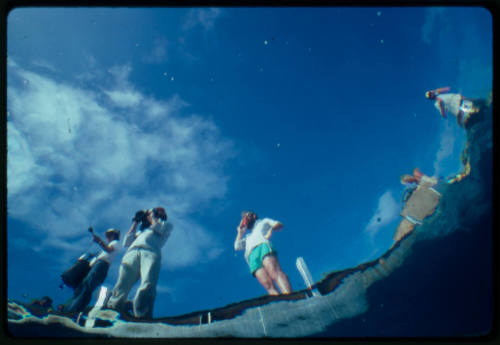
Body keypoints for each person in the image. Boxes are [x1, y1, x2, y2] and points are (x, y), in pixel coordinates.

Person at [107, 207, 172, 319]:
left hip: (150, 251)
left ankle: (142, 315)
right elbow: (126, 241)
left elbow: (157, 227)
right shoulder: (141, 231)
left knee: (148, 282)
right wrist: (136, 222)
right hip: (132, 252)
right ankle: (112, 310)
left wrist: (153, 216)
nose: (149, 214)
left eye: (153, 212)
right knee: (122, 283)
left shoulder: (165, 225)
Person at [234, 211, 292, 295]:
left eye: (247, 216)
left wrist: (270, 230)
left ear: (254, 216)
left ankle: (290, 296)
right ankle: (282, 302)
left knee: (274, 272)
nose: (245, 219)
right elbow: (237, 246)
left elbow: (279, 224)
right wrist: (240, 232)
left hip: (262, 246)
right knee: (267, 284)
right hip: (251, 256)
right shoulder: (248, 237)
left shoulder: (263, 221)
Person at [64, 228, 121, 314]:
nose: (107, 237)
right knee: (82, 287)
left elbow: (109, 250)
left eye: (109, 235)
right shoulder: (109, 246)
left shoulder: (115, 243)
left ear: (114, 235)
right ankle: (71, 309)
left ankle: (73, 311)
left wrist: (99, 241)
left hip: (101, 265)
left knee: (86, 287)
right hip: (97, 265)